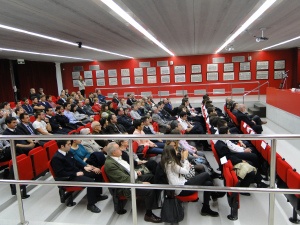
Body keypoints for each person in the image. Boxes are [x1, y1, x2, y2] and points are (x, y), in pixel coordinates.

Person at [104, 142, 162, 222]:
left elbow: (127, 169)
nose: (121, 149)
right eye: (118, 148)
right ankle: (149, 215)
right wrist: (141, 183)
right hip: (126, 187)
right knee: (149, 190)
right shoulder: (110, 164)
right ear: (114, 152)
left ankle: (153, 202)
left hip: (132, 179)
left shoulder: (117, 157)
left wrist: (135, 171)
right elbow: (124, 179)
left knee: (152, 177)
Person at [161, 145, 221, 217]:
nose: (177, 151)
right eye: (175, 150)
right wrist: (185, 158)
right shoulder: (171, 163)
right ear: (171, 152)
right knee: (205, 175)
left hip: (182, 184)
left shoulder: (168, 163)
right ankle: (214, 194)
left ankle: (206, 208)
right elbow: (185, 171)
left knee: (208, 183)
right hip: (182, 189)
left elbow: (182, 168)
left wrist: (184, 161)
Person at [51, 140, 108, 213]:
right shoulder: (56, 158)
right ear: (62, 146)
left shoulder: (68, 152)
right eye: (68, 144)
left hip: (77, 172)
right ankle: (91, 204)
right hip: (70, 177)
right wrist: (75, 174)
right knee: (91, 182)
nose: (70, 145)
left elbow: (76, 162)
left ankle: (97, 195)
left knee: (98, 173)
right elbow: (60, 173)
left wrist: (84, 167)